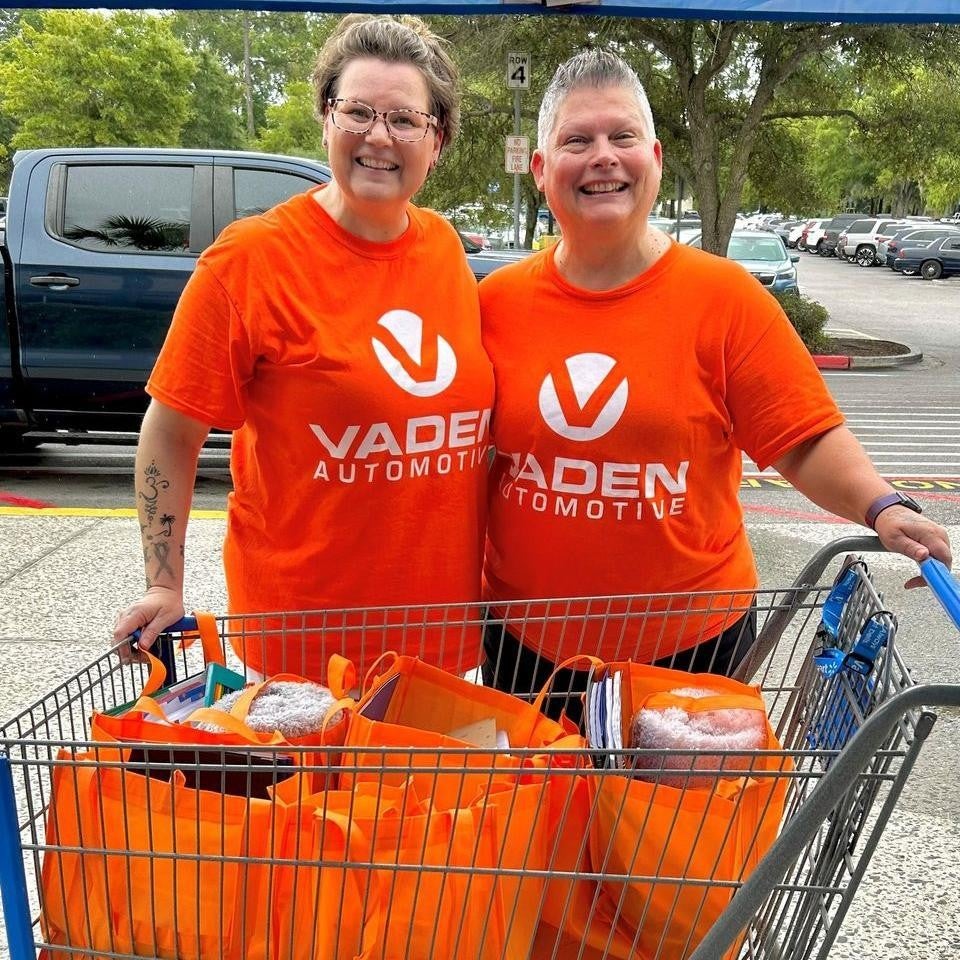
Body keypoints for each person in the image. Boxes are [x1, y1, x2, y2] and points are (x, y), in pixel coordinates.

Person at [479, 49, 951, 720]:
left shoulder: (724, 299)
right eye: (577, 140)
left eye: (623, 137)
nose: (603, 156)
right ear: (540, 168)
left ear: (657, 157)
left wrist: (883, 507)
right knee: (534, 829)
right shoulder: (495, 305)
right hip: (528, 651)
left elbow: (802, 439)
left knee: (666, 831)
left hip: (690, 654)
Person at [113, 14, 494, 680]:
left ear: (438, 142)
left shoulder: (443, 249)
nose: (380, 136)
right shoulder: (250, 261)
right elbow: (171, 432)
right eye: (358, 112)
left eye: (405, 120)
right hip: (307, 652)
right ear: (326, 119)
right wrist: (164, 584)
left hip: (443, 651)